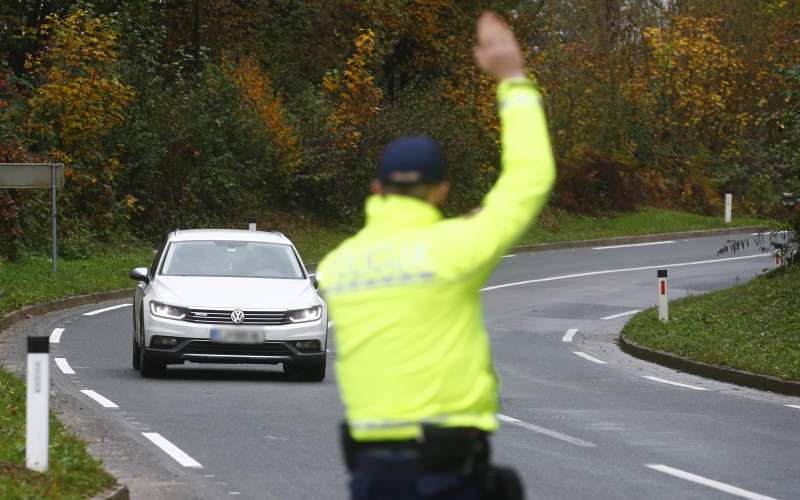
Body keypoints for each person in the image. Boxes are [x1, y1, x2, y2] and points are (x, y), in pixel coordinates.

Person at [316, 11, 555, 500]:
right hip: (448, 467)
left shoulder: (337, 267)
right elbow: (529, 179)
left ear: (377, 188)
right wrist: (511, 77)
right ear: (441, 190)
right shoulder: (453, 250)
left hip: (373, 473)